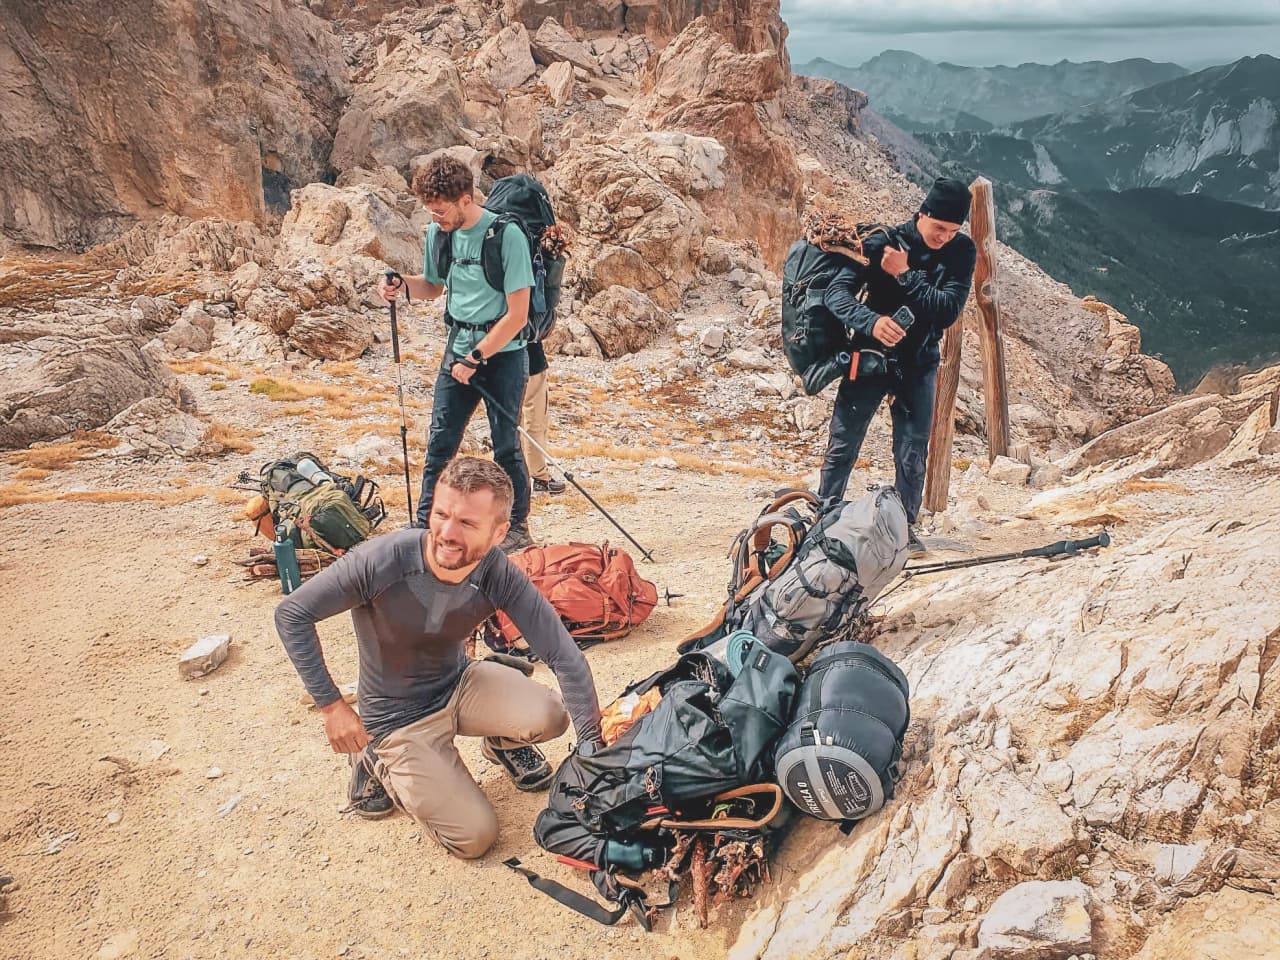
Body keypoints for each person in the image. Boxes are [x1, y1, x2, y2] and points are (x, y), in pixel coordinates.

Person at [275, 456, 603, 860]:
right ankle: (373, 757)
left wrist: (591, 747)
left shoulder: (497, 573)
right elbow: (292, 614)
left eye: (467, 523)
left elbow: (565, 657)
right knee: (475, 837)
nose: (447, 533)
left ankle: (500, 744)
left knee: (552, 714)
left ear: (499, 532)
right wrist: (332, 706)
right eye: (441, 514)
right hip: (396, 718)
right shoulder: (381, 560)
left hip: (459, 683)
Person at [379, 155, 534, 552]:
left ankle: (516, 528)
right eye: (430, 210)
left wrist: (476, 358)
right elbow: (432, 285)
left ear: (466, 199)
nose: (436, 218)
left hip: (502, 355)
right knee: (440, 443)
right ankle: (424, 525)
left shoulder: (506, 235)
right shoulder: (438, 233)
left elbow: (518, 315)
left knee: (506, 446)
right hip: (457, 351)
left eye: (442, 210)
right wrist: (402, 285)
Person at [819, 177, 977, 555]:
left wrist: (905, 275)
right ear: (921, 213)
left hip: (920, 360)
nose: (944, 237)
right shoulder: (882, 241)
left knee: (912, 448)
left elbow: (948, 311)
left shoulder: (962, 251)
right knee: (843, 443)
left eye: (953, 230)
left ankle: (905, 530)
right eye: (939, 227)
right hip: (870, 356)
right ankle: (822, 519)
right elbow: (835, 294)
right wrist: (870, 321)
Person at [521, 339, 565, 495]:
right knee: (535, 419)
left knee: (514, 421)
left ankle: (517, 475)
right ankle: (539, 477)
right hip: (530, 361)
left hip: (501, 364)